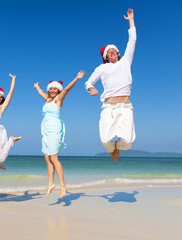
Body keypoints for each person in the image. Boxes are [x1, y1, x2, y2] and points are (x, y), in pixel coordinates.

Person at [84, 9, 136, 161]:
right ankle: (111, 148)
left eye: (114, 50)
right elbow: (88, 82)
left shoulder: (126, 61)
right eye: (109, 51)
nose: (112, 52)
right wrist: (91, 88)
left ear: (118, 53)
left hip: (126, 106)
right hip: (109, 107)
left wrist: (131, 21)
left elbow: (132, 41)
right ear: (106, 56)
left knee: (127, 140)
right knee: (105, 140)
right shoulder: (102, 68)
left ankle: (117, 148)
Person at [33, 70, 85, 198]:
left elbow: (67, 88)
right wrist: (37, 86)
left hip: (54, 129)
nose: (52, 90)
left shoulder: (58, 99)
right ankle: (51, 183)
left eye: (55, 89)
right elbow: (41, 93)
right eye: (50, 89)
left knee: (54, 158)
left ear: (58, 90)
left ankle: (63, 185)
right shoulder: (48, 99)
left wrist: (76, 78)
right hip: (45, 129)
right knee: (47, 158)